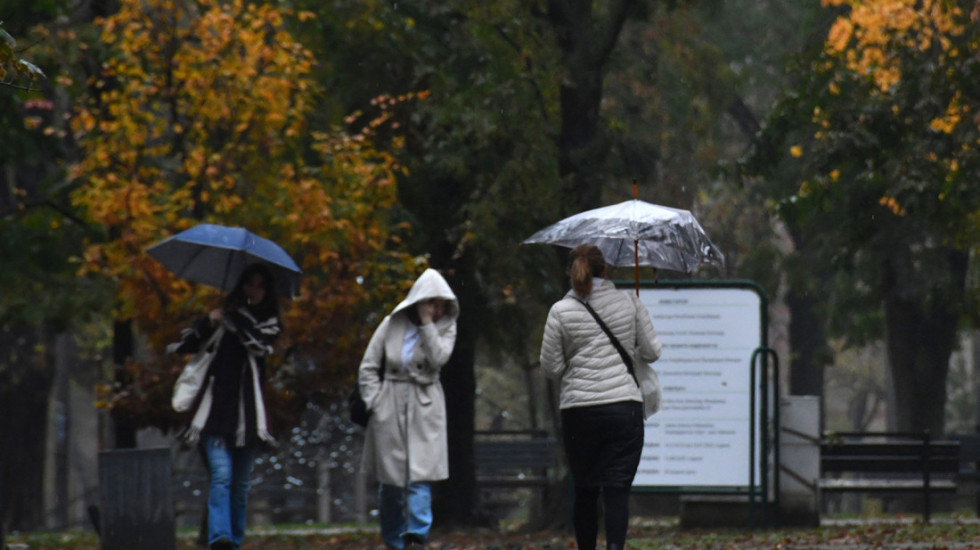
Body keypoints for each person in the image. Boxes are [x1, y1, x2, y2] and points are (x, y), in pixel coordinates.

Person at [539, 244, 662, 550]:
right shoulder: (629, 302)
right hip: (623, 410)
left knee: (585, 489)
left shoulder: (560, 311)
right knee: (617, 489)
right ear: (605, 271)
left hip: (580, 413)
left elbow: (551, 367)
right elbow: (652, 352)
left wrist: (576, 358)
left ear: (572, 273)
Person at [168, 263, 281, 550]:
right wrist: (210, 321)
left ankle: (235, 541)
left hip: (249, 419)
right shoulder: (220, 321)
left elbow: (260, 344)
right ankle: (220, 537)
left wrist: (236, 318)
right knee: (222, 476)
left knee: (240, 487)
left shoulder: (268, 322)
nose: (253, 290)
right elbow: (184, 344)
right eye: (249, 284)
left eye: (260, 285)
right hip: (213, 415)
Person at [358, 268, 459, 550]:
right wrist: (375, 402)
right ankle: (392, 539)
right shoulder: (392, 324)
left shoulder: (447, 326)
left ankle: (416, 536)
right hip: (389, 403)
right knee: (390, 482)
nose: (437, 310)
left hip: (425, 403)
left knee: (420, 476)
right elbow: (368, 366)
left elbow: (439, 357)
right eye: (431, 303)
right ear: (419, 299)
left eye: (441, 304)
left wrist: (428, 324)